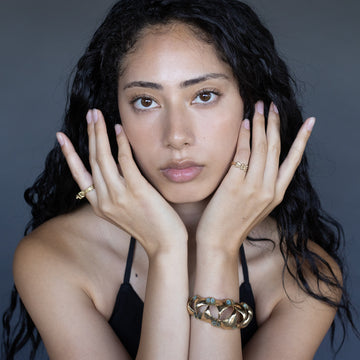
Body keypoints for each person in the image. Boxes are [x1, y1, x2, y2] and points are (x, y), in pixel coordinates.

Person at [2, 0, 357, 359]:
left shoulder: (303, 276)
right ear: (115, 114)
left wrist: (217, 249)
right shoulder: (57, 257)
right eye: (145, 101)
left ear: (251, 106)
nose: (176, 136)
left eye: (204, 96)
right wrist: (166, 250)